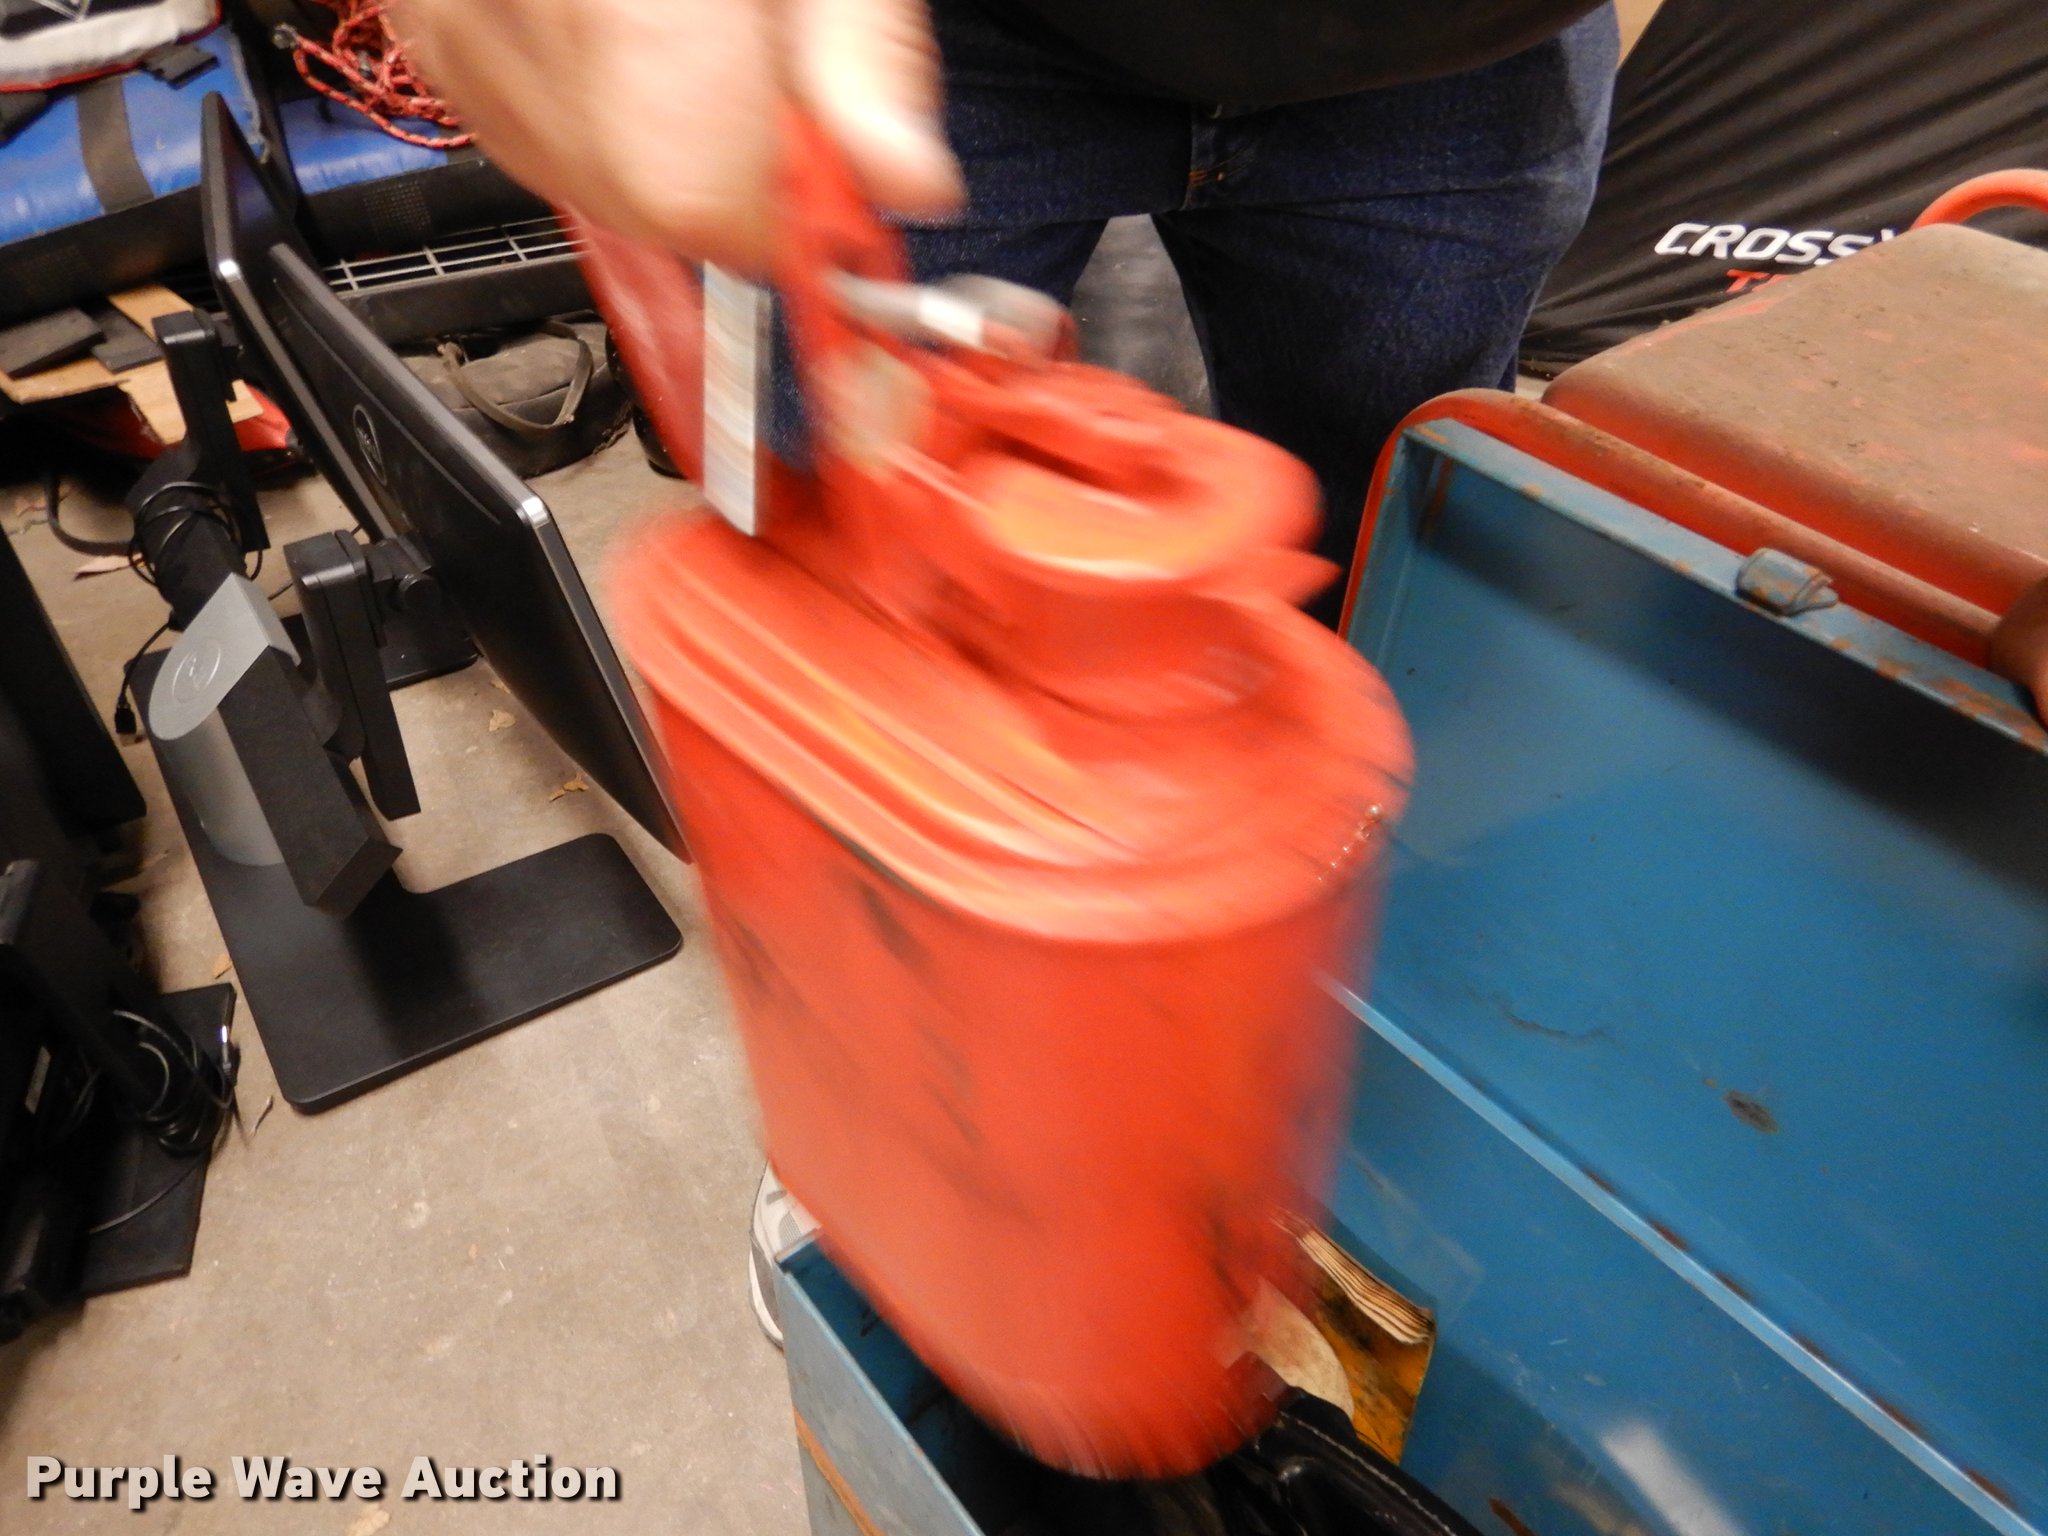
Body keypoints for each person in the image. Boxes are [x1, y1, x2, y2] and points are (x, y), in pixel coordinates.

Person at [390, 0, 1621, 1341]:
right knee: (833, 612)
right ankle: (884, 1124)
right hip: (932, 48)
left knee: (1377, 599)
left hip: (1444, 55)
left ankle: (1260, 1062)